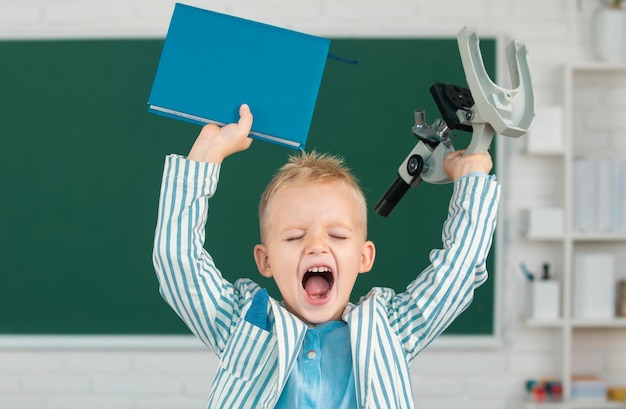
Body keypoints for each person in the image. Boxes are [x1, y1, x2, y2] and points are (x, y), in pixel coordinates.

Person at [152, 104, 500, 409]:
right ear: (265, 261)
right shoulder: (241, 321)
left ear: (364, 258)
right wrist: (204, 158)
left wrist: (472, 184)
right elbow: (176, 260)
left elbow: (458, 271)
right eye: (294, 236)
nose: (316, 246)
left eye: (336, 235)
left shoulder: (390, 328)